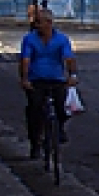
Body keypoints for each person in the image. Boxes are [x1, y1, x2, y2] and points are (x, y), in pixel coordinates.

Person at [19, 9, 78, 160]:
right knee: (34, 110)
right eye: (36, 22)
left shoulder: (61, 39)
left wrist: (72, 75)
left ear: (49, 23)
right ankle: (35, 143)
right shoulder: (29, 39)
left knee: (62, 106)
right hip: (36, 80)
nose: (36, 25)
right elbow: (25, 60)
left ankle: (60, 129)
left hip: (56, 79)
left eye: (39, 22)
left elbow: (68, 58)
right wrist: (25, 78)